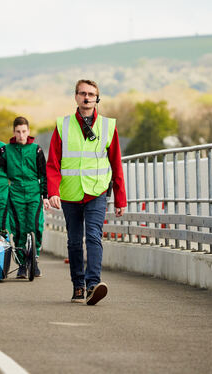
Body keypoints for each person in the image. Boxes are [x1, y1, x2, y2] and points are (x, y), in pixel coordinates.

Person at [46, 79, 126, 305]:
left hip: (97, 191)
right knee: (73, 241)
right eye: (82, 93)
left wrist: (120, 198)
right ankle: (78, 286)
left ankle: (93, 285)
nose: (87, 97)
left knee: (93, 236)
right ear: (76, 97)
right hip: (70, 193)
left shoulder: (108, 126)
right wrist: (52, 191)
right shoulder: (63, 125)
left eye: (91, 94)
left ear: (97, 98)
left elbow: (116, 164)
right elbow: (52, 162)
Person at [0, 117, 49, 278]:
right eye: (18, 132)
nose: (21, 135)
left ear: (28, 132)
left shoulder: (36, 150)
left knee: (36, 227)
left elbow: (44, 175)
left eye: (24, 132)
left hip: (34, 192)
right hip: (15, 193)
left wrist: (45, 196)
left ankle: (34, 260)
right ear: (14, 133)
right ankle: (22, 264)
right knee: (19, 229)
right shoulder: (6, 150)